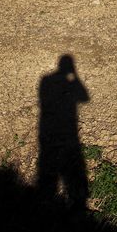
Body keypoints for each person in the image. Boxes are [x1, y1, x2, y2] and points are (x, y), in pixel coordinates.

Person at [36, 54, 90, 210]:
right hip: (67, 132)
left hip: (48, 128)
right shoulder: (57, 80)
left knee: (48, 165)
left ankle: (45, 203)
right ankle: (74, 205)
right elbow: (85, 97)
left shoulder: (46, 80)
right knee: (70, 167)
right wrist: (76, 76)